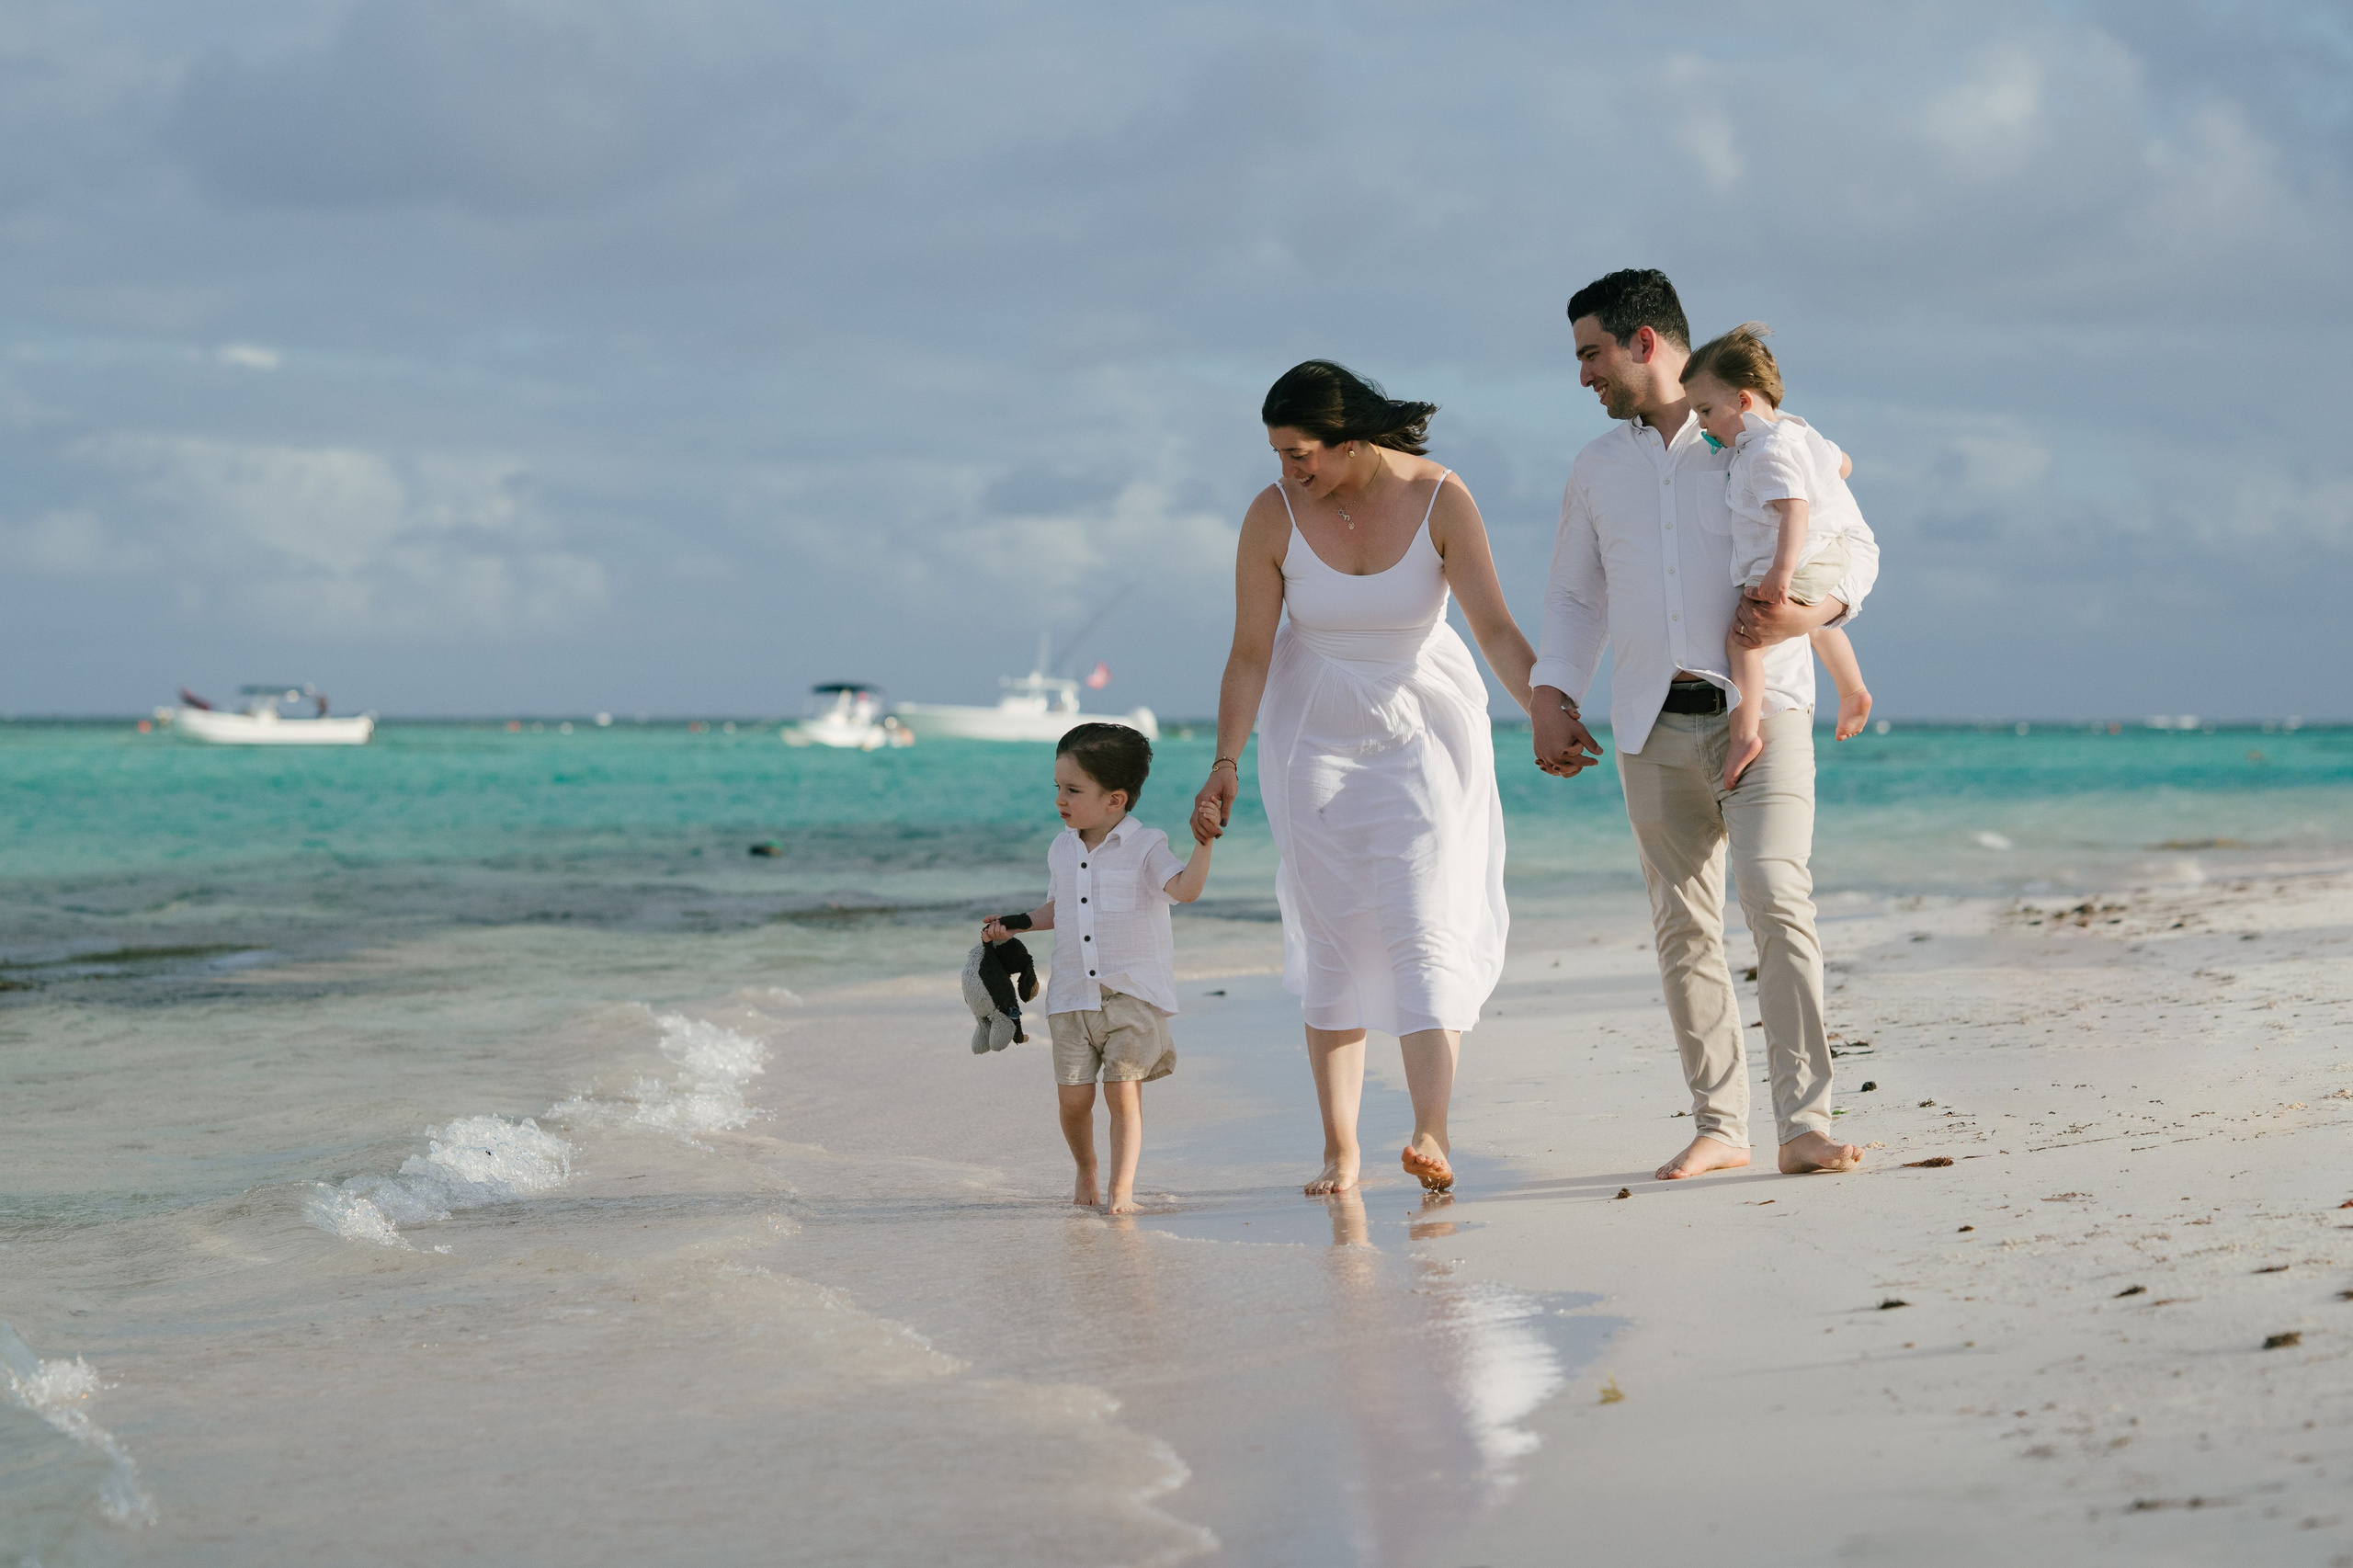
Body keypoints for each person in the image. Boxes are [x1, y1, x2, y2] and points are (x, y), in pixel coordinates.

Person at [1529, 269, 1874, 1181]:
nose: (1582, 376)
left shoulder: (1764, 438)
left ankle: (1805, 1124)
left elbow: (1855, 549)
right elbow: (1574, 596)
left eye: (1591, 354)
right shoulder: (1595, 467)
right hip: (1648, 724)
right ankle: (1721, 1126)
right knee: (1682, 928)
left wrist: (1814, 614)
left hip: (1766, 711)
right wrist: (1551, 694)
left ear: (1644, 342)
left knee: (1775, 897)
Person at [1191, 361, 1537, 1197]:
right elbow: (1250, 652)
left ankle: (1431, 1133)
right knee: (1334, 934)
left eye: (1300, 453)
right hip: (1311, 730)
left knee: (1426, 921)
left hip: (1424, 725)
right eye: (1278, 454)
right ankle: (1339, 1152)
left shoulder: (1440, 497)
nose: (1288, 470)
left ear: (1349, 441)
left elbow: (1494, 626)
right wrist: (1225, 761)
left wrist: (1547, 710)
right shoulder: (1272, 515)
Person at [984, 722, 1211, 1214]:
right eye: (1057, 787)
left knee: (1122, 1094)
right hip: (1071, 998)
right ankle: (1086, 1169)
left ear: (1115, 800)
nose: (1060, 800)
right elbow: (1059, 907)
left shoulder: (1147, 845)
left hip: (1130, 996)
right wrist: (1016, 924)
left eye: (1073, 790)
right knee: (1073, 1102)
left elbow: (1185, 890)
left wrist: (1205, 843)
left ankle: (1121, 1189)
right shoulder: (1061, 848)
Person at [1681, 323, 1875, 788]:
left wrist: (1780, 573)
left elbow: (1795, 509)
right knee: (1815, 626)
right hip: (1825, 552)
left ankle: (1744, 734)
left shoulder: (1763, 451)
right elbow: (1844, 463)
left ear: (1743, 402)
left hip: (1802, 557)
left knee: (1743, 641)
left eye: (1706, 411)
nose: (1702, 426)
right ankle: (1852, 689)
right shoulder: (1796, 431)